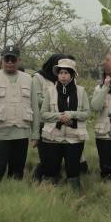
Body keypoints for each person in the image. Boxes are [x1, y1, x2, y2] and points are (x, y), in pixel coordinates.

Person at [0, 45, 39, 182]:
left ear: (19, 61)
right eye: (7, 59)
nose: (10, 62)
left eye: (13, 59)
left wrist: (35, 133)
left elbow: (35, 108)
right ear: (2, 60)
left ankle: (13, 194)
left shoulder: (28, 79)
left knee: (18, 170)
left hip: (22, 133)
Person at [39, 58, 90, 191]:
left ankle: (75, 195)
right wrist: (59, 117)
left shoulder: (81, 91)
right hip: (52, 137)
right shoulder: (50, 91)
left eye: (66, 73)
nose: (63, 75)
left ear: (72, 74)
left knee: (73, 170)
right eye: (60, 72)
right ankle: (49, 194)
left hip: (74, 138)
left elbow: (86, 113)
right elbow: (43, 113)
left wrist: (71, 115)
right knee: (51, 170)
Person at [31, 53, 74, 181]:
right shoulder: (38, 77)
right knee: (46, 156)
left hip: (63, 121)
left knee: (58, 156)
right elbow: (36, 99)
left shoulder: (64, 78)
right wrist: (55, 100)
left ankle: (54, 178)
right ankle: (38, 179)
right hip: (44, 121)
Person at [90, 64, 111, 181]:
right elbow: (95, 107)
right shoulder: (99, 89)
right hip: (105, 132)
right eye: (109, 74)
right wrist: (105, 88)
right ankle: (106, 186)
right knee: (107, 167)